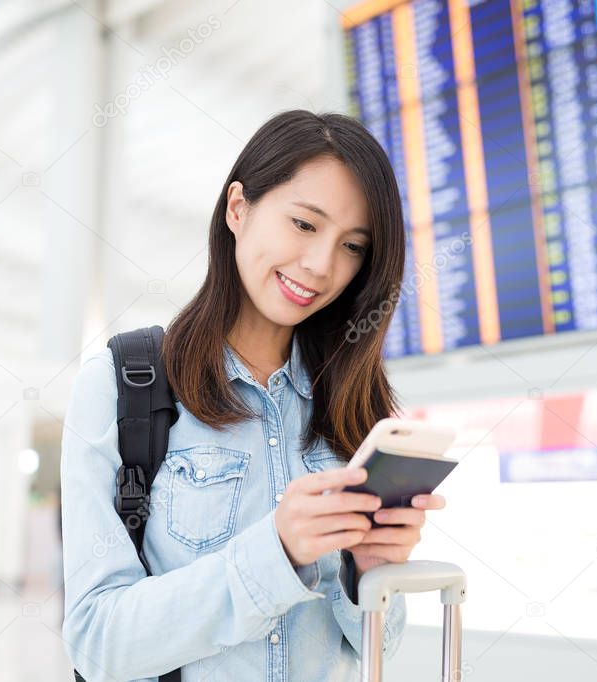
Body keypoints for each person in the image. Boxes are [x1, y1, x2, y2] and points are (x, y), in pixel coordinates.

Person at [60, 109, 446, 681]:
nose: (322, 266)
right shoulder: (122, 386)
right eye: (305, 224)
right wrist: (276, 553)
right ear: (238, 208)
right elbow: (96, 643)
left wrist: (367, 573)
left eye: (354, 246)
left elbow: (377, 649)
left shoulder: (353, 405)